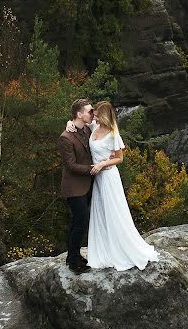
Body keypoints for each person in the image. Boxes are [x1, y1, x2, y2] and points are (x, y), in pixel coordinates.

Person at [67, 101, 159, 271]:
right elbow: (78, 123)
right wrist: (70, 122)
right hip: (97, 179)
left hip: (108, 177)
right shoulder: (93, 127)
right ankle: (104, 248)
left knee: (114, 212)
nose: (92, 115)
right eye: (91, 112)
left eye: (95, 113)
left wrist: (104, 164)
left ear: (103, 115)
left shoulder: (112, 133)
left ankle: (121, 248)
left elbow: (120, 158)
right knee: (100, 212)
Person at [58, 98, 94, 275]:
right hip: (73, 187)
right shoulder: (65, 137)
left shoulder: (87, 128)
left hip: (86, 185)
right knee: (81, 221)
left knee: (77, 222)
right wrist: (92, 169)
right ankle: (73, 261)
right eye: (89, 111)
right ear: (80, 114)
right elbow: (70, 165)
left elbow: (106, 118)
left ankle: (73, 256)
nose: (92, 113)